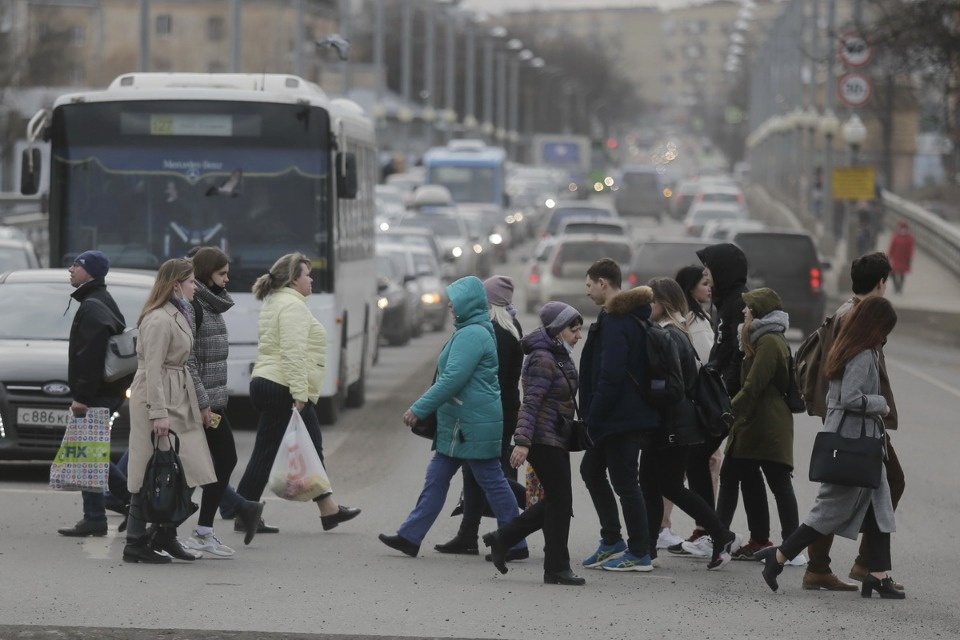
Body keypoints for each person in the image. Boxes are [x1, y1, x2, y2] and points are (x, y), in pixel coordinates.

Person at [757, 297, 904, 600]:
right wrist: (881, 404)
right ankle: (780, 556)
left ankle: (877, 574)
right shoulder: (863, 354)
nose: (885, 336)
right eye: (885, 329)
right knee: (829, 510)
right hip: (853, 443)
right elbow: (850, 397)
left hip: (856, 440)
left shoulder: (849, 346)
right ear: (874, 326)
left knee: (880, 505)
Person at [380, 276, 525, 560]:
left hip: (471, 423)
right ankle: (410, 535)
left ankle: (515, 542)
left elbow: (451, 380)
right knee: (437, 478)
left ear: (467, 304)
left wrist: (418, 409)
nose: (449, 305)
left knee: (493, 482)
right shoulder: (473, 330)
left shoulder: (472, 334)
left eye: (454, 301)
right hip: (462, 423)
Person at [234, 253, 361, 530]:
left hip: (269, 382)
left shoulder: (277, 301)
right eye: (307, 274)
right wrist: (300, 393)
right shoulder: (292, 307)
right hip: (282, 386)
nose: (312, 279)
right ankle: (243, 510)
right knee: (266, 452)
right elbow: (292, 353)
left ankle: (329, 511)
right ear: (294, 280)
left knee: (311, 446)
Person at [803, 252, 904, 592]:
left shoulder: (850, 311)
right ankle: (858, 566)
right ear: (881, 282)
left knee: (865, 487)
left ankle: (863, 565)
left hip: (853, 417)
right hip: (856, 419)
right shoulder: (856, 316)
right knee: (862, 487)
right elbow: (849, 381)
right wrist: (876, 406)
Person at [638, 278, 741, 570]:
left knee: (665, 485)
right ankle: (648, 550)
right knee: (653, 483)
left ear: (663, 304)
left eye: (651, 302)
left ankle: (720, 533)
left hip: (672, 424)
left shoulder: (669, 335)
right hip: (675, 423)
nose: (648, 308)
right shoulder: (676, 332)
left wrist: (646, 394)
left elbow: (672, 386)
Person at [123, 258, 219, 563]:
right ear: (176, 284)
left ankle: (165, 535)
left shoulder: (178, 313)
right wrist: (159, 413)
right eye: (191, 281)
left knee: (187, 469)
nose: (195, 287)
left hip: (178, 393)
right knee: (152, 470)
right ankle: (136, 541)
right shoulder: (158, 319)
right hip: (158, 397)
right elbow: (152, 369)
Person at [483, 301, 586, 585]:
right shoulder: (543, 357)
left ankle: (503, 538)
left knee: (557, 500)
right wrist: (523, 442)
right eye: (573, 330)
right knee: (561, 500)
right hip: (542, 438)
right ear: (556, 331)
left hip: (555, 436)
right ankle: (556, 567)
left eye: (579, 330)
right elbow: (530, 402)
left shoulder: (557, 353)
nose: (578, 336)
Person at [177, 247, 266, 556]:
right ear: (205, 274)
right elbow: (188, 361)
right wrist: (202, 403)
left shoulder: (211, 306)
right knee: (204, 464)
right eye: (221, 274)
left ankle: (198, 530)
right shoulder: (195, 307)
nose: (227, 280)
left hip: (214, 401)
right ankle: (161, 527)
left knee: (210, 464)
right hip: (202, 404)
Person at [435, 275, 526, 558]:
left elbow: (483, 378)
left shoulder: (495, 332)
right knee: (476, 472)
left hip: (490, 413)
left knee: (490, 475)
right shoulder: (510, 326)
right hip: (503, 410)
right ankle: (469, 534)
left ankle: (529, 515)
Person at [676, 244, 757, 559]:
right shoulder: (727, 303)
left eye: (709, 271)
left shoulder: (737, 304)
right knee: (734, 468)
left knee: (700, 459)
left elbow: (734, 354)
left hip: (728, 400)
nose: (706, 277)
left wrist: (722, 392)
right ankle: (715, 530)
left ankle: (715, 532)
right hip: (723, 397)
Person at [578, 259, 656, 573]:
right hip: (620, 415)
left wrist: (592, 417)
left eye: (589, 285)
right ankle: (612, 539)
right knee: (591, 470)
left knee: (625, 483)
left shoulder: (616, 321)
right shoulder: (629, 318)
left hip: (620, 418)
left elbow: (610, 375)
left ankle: (639, 552)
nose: (587, 292)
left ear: (603, 283)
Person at [712, 288, 799, 564]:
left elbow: (753, 386)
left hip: (766, 424)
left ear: (759, 311)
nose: (743, 311)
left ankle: (793, 546)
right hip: (754, 423)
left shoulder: (770, 342)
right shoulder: (759, 338)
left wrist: (727, 410)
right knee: (737, 477)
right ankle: (737, 540)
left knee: (778, 483)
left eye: (748, 307)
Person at [57, 250, 132, 537]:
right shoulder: (99, 300)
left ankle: (128, 503)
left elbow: (89, 356)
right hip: (106, 391)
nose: (71, 269)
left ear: (90, 271)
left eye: (76, 265)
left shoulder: (93, 305)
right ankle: (97, 516)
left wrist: (83, 397)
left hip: (96, 394)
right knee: (91, 454)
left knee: (91, 454)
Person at [664, 264, 720, 550]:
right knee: (689, 465)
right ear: (689, 288)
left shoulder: (690, 317)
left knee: (680, 466)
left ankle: (701, 529)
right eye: (703, 283)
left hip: (690, 403)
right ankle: (709, 530)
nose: (708, 288)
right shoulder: (695, 321)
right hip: (698, 404)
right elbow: (708, 363)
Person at [887, 221, 915, 294]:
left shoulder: (896, 236)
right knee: (900, 273)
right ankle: (898, 288)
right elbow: (911, 248)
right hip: (903, 258)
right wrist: (910, 257)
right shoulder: (909, 237)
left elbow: (892, 246)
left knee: (896, 273)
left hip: (899, 257)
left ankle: (897, 287)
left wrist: (889, 256)